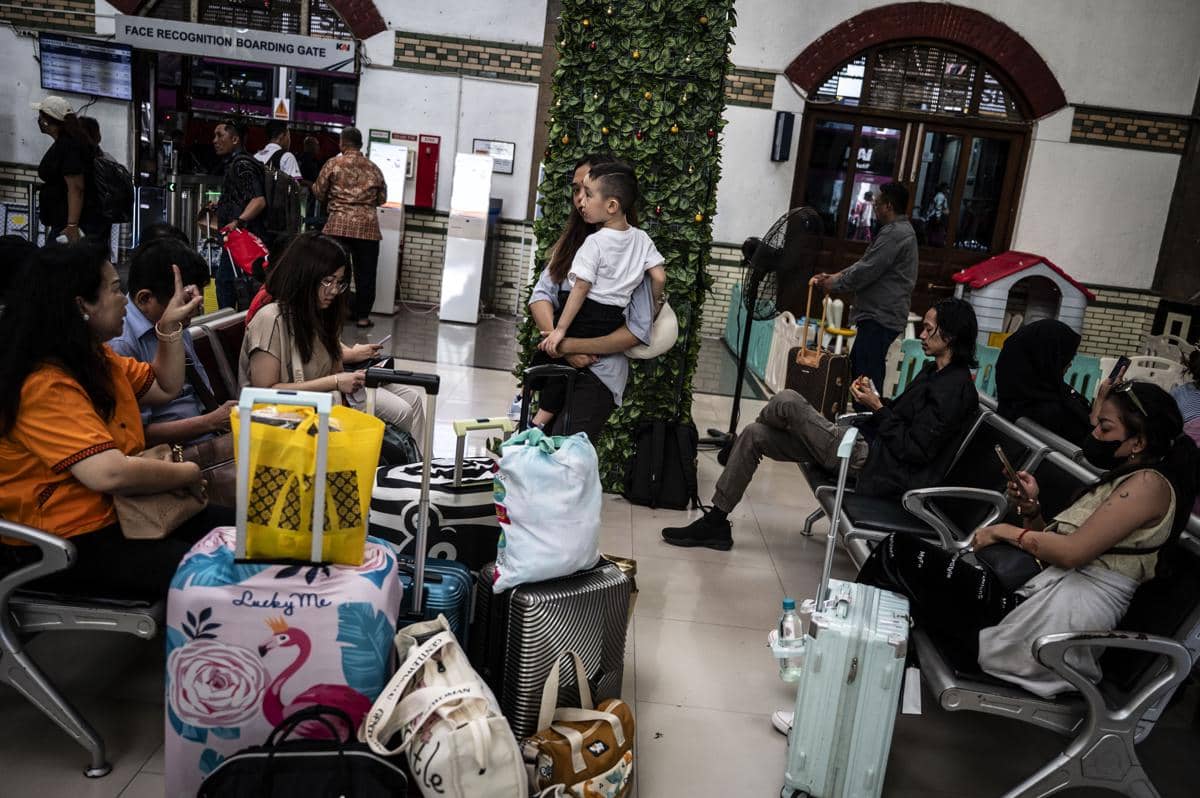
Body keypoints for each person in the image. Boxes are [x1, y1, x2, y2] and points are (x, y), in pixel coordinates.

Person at [858, 380, 1198, 697]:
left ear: (1139, 441)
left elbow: (1072, 553)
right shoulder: (1130, 479)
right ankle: (877, 672)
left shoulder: (1148, 487)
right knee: (905, 567)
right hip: (1043, 603)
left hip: (1054, 629)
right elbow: (1062, 547)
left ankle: (861, 668)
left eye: (1105, 428)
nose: (1094, 433)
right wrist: (1031, 510)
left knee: (897, 554)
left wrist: (1004, 530)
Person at [0, 243, 232, 598]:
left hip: (123, 513)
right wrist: (186, 472)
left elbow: (165, 385)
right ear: (81, 305)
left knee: (244, 534)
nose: (124, 298)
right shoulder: (44, 382)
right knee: (217, 575)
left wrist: (169, 326)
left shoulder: (97, 359)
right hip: (67, 540)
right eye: (113, 288)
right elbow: (108, 472)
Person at [662, 297, 980, 552]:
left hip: (874, 463)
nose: (922, 335)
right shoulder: (934, 373)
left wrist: (878, 407)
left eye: (928, 329)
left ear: (949, 335)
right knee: (755, 434)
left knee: (786, 399)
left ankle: (732, 452)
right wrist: (873, 400)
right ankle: (717, 520)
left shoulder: (953, 389)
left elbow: (915, 449)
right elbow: (899, 416)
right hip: (861, 444)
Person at [238, 233, 424, 441]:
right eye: (328, 281)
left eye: (340, 282)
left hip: (324, 397)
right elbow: (265, 393)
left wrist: (346, 377)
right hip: (289, 415)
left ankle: (418, 470)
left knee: (413, 399)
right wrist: (336, 381)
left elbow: (332, 367)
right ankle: (398, 467)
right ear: (304, 275)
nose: (334, 290)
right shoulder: (271, 318)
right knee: (403, 412)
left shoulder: (318, 313)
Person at [526, 154, 654, 440]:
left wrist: (569, 344)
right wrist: (562, 348)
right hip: (558, 364)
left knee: (566, 455)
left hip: (600, 373)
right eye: (576, 190)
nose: (580, 199)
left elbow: (637, 330)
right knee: (541, 447)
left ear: (611, 201)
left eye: (587, 191)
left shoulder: (634, 250)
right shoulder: (574, 245)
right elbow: (541, 296)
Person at [108, 237, 235, 448]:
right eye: (112, 291)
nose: (192, 312)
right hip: (175, 450)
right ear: (144, 299)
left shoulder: (174, 322)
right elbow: (136, 432)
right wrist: (209, 422)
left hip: (207, 432)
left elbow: (191, 390)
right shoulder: (121, 344)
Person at [812, 182, 917, 402]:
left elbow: (867, 270)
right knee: (862, 369)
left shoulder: (896, 234)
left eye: (877, 203)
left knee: (865, 377)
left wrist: (835, 284)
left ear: (888, 206)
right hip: (877, 316)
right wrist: (835, 278)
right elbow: (865, 263)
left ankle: (869, 427)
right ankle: (866, 425)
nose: (875, 207)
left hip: (880, 317)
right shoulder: (894, 232)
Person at [312, 128, 387, 328]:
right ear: (360, 144)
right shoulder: (374, 168)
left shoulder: (333, 164)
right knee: (366, 274)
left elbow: (318, 191)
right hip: (367, 228)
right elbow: (382, 198)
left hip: (338, 226)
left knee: (335, 272)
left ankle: (335, 314)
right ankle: (363, 317)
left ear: (342, 143)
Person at [995, 319, 1094, 444]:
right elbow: (1089, 447)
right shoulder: (1052, 413)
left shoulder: (1015, 394)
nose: (1070, 364)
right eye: (1066, 357)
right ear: (1047, 359)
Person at [211, 118, 267, 310]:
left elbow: (258, 200)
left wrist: (237, 222)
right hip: (239, 239)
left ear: (235, 139)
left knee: (227, 285)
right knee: (233, 285)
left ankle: (227, 328)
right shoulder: (238, 163)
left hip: (241, 240)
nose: (214, 140)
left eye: (220, 135)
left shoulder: (241, 164)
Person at [32, 96, 104, 245]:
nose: (38, 120)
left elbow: (76, 188)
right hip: (67, 220)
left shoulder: (69, 145)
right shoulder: (69, 142)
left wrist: (72, 226)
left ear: (48, 121)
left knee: (54, 262)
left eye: (40, 116)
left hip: (71, 223)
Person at [298, 135, 327, 223]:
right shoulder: (305, 159)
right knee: (305, 216)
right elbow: (297, 178)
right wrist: (310, 184)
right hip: (304, 193)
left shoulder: (313, 160)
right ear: (310, 145)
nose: (318, 147)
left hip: (311, 193)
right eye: (317, 145)